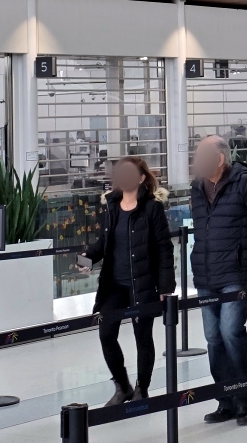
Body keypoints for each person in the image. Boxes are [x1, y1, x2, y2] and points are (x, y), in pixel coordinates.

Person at [190, 136, 247, 426]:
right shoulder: (196, 188)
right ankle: (224, 400)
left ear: (219, 159)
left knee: (231, 332)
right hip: (205, 274)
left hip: (235, 274)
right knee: (213, 338)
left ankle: (244, 400)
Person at [80, 156, 174, 406]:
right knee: (106, 334)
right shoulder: (111, 207)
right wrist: (86, 259)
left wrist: (165, 287)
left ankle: (143, 388)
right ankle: (123, 386)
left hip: (142, 283)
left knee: (143, 337)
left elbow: (164, 248)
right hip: (113, 284)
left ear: (142, 178)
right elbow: (104, 242)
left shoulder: (152, 209)